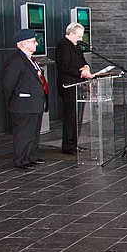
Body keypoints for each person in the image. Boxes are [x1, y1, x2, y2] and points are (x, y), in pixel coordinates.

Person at [2, 29, 48, 170]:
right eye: (33, 41)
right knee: (24, 133)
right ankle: (21, 159)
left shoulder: (30, 59)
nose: (36, 44)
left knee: (33, 132)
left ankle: (31, 156)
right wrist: (9, 102)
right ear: (24, 43)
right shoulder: (16, 60)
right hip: (23, 104)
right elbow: (8, 83)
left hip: (34, 103)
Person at [55, 22, 94, 155]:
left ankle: (74, 143)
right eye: (79, 36)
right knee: (70, 117)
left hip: (78, 86)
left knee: (77, 117)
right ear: (71, 34)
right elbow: (64, 66)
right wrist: (80, 73)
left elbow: (82, 61)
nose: (81, 39)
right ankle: (68, 145)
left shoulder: (75, 46)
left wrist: (86, 67)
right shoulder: (63, 46)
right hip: (69, 87)